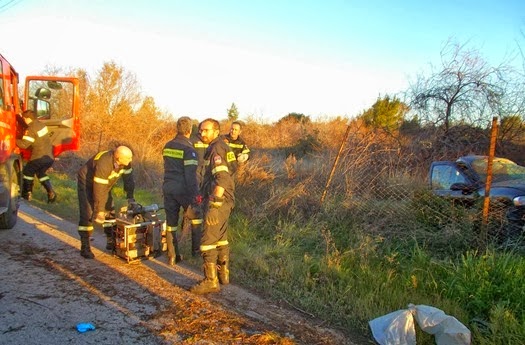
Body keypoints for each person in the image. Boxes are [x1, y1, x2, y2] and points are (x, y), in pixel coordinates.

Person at [190, 118, 238, 294]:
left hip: (218, 200)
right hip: (227, 199)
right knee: (221, 237)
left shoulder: (216, 149)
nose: (202, 133)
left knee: (207, 240)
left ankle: (210, 281)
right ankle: (223, 275)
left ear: (216, 132)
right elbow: (232, 169)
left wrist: (214, 204)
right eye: (201, 130)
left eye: (206, 130)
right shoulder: (224, 147)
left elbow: (222, 178)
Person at [77, 146, 135, 259]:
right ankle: (85, 247)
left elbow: (129, 180)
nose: (130, 160)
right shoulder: (104, 163)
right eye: (128, 158)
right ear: (118, 157)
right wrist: (99, 211)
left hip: (104, 185)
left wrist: (130, 198)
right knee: (88, 213)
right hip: (87, 184)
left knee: (110, 211)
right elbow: (99, 189)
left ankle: (111, 241)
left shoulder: (126, 162)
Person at [162, 116, 203, 265]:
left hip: (168, 188)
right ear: (189, 130)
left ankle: (172, 256)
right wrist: (196, 197)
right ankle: (196, 253)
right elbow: (191, 176)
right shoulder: (189, 149)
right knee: (196, 217)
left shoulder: (167, 146)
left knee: (171, 222)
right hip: (183, 190)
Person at [16, 110, 57, 203]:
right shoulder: (41, 125)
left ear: (27, 119)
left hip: (38, 157)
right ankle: (51, 193)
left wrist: (13, 140)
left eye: (24, 118)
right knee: (41, 173)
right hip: (49, 156)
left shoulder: (31, 129)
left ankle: (27, 194)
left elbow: (24, 144)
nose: (24, 120)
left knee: (27, 172)